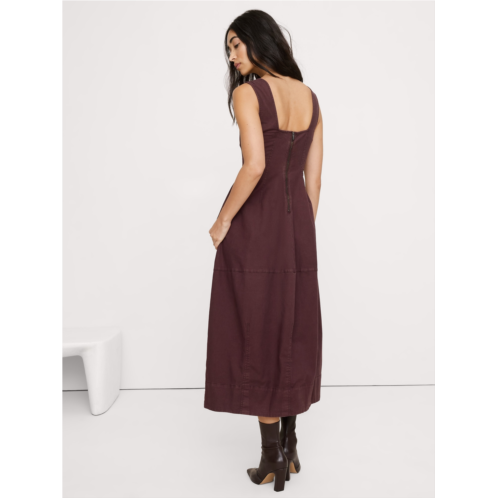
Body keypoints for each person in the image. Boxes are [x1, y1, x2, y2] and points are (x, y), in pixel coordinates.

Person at [204, 10, 323, 492]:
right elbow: (314, 181)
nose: (231, 56)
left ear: (259, 41)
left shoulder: (248, 93)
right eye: (228, 48)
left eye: (236, 44)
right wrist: (299, 233)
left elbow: (254, 166)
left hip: (256, 229)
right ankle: (290, 447)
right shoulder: (310, 97)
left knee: (256, 331)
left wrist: (223, 221)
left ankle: (271, 457)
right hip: (298, 232)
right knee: (291, 329)